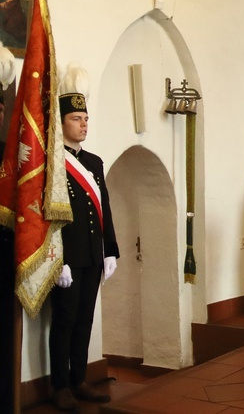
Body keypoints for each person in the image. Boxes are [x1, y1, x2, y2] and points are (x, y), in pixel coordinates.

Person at [49, 83, 120, 412]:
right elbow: (48, 214)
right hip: (66, 257)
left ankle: (79, 379)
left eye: (86, 118)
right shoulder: (51, 162)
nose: (84, 124)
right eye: (77, 118)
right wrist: (56, 259)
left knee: (85, 321)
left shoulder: (94, 161)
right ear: (61, 122)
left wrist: (109, 250)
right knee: (64, 321)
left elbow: (104, 207)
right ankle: (59, 385)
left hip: (92, 254)